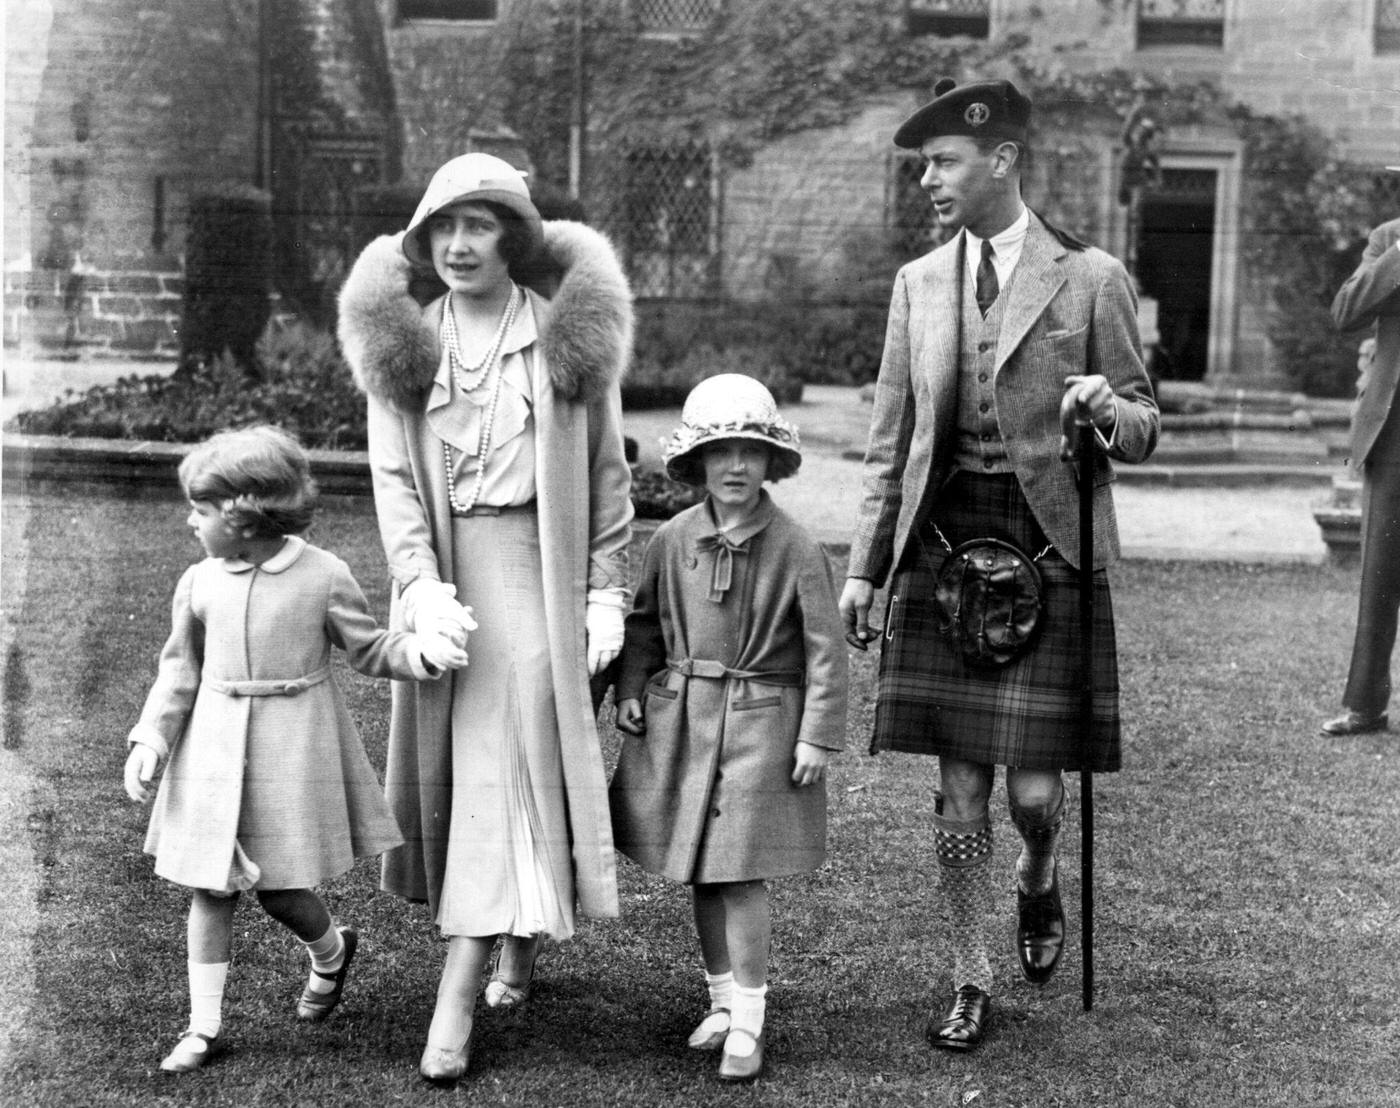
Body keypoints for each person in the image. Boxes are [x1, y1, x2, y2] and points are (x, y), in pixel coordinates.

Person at [838, 78, 1159, 1051]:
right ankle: (968, 976)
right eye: (924, 164)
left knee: (1029, 795)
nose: (927, 180)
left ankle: (1036, 870)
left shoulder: (1090, 276)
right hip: (943, 549)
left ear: (1001, 160)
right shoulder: (916, 283)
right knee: (956, 790)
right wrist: (862, 567)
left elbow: (1144, 428)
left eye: (941, 162)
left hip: (1047, 543)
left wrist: (1106, 407)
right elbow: (888, 441)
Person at [336, 152, 634, 1083]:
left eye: (481, 225)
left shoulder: (562, 338)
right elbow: (394, 484)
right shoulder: (406, 345)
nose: (461, 245)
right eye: (444, 229)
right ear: (425, 242)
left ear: (514, 236)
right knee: (473, 776)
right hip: (446, 585)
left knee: (510, 756)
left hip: (536, 580)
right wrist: (418, 589)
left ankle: (455, 997)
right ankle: (516, 942)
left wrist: (603, 591)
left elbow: (607, 482)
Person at [123, 425, 469, 1074]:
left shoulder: (323, 575)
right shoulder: (199, 582)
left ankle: (332, 952)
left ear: (244, 514)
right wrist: (151, 738)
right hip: (212, 749)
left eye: (200, 509)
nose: (190, 521)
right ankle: (204, 1026)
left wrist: (420, 652)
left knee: (281, 890)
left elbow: (369, 647)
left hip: (293, 745)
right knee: (211, 887)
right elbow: (179, 671)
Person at [610, 374, 848, 1082]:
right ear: (694, 464)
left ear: (772, 461)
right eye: (720, 453)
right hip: (683, 720)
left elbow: (825, 649)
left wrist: (815, 734)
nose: (736, 467)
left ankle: (750, 1018)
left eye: (750, 452)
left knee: (741, 872)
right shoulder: (674, 539)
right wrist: (629, 686)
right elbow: (645, 624)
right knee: (701, 874)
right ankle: (719, 1001)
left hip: (760, 725)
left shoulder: (797, 547)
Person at [1322, 192, 1400, 737]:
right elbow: (1345, 313)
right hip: (1392, 430)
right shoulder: (1386, 238)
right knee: (1378, 574)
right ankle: (1366, 705)